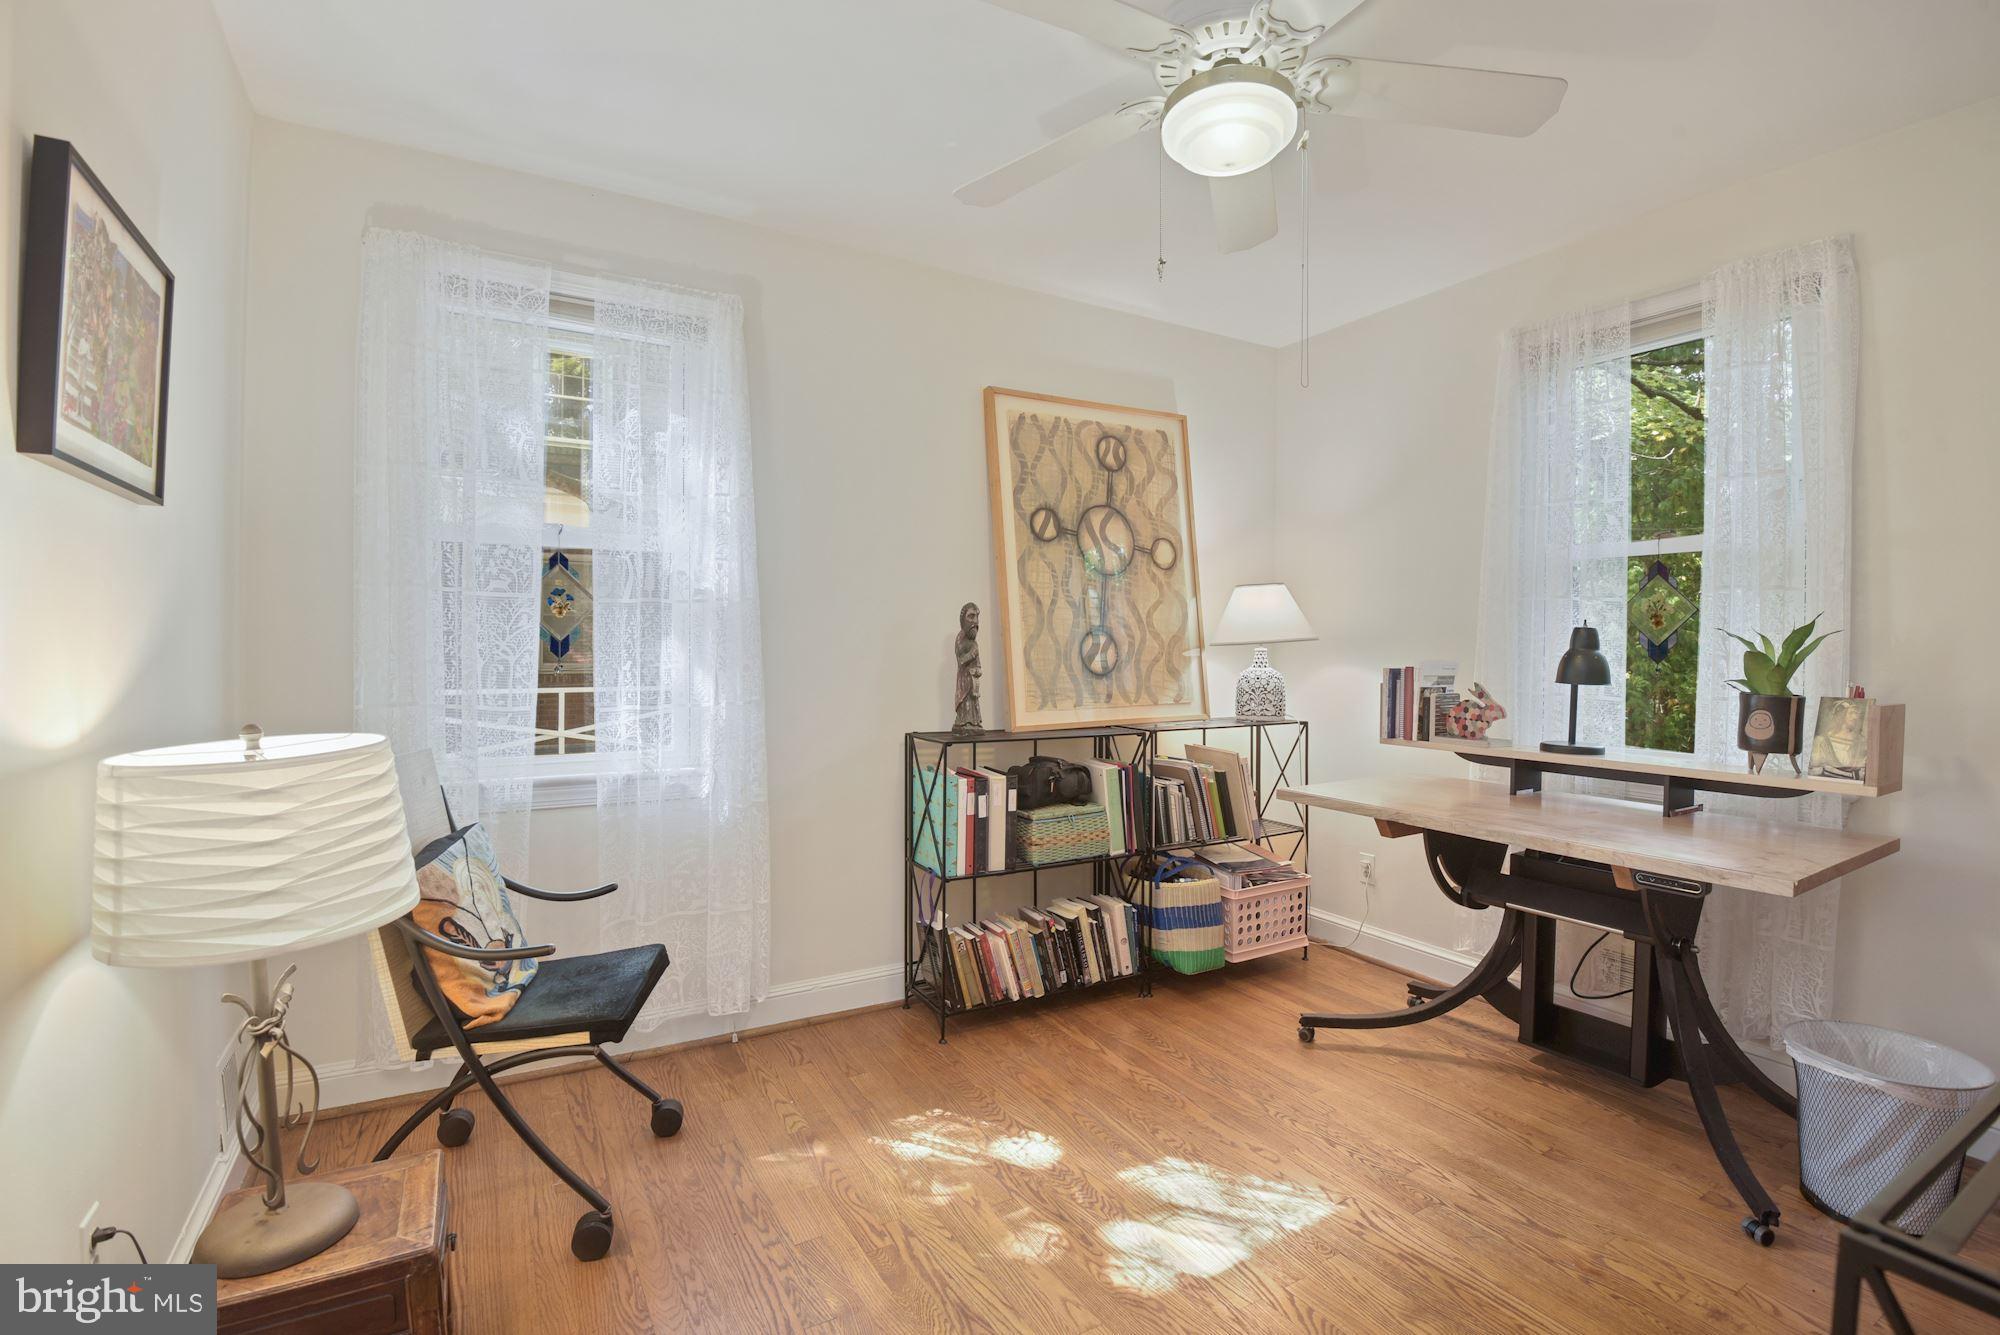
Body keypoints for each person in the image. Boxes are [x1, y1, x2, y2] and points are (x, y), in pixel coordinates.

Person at [953, 602, 983, 733]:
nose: (975, 621)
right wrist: (971, 654)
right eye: (971, 616)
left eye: (976, 617)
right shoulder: (960, 638)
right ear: (963, 619)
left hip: (972, 679)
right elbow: (960, 661)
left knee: (974, 701)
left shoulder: (974, 642)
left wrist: (978, 670)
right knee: (965, 702)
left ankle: (974, 723)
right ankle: (963, 722)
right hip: (964, 680)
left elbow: (978, 662)